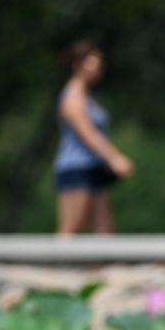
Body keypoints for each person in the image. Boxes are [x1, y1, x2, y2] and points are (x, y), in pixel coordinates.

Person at [53, 41, 134, 235]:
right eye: (93, 64)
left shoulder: (87, 96)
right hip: (76, 168)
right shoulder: (72, 96)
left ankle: (105, 266)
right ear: (77, 64)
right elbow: (87, 134)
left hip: (94, 168)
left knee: (105, 229)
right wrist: (114, 158)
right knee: (72, 228)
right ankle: (56, 264)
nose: (99, 69)